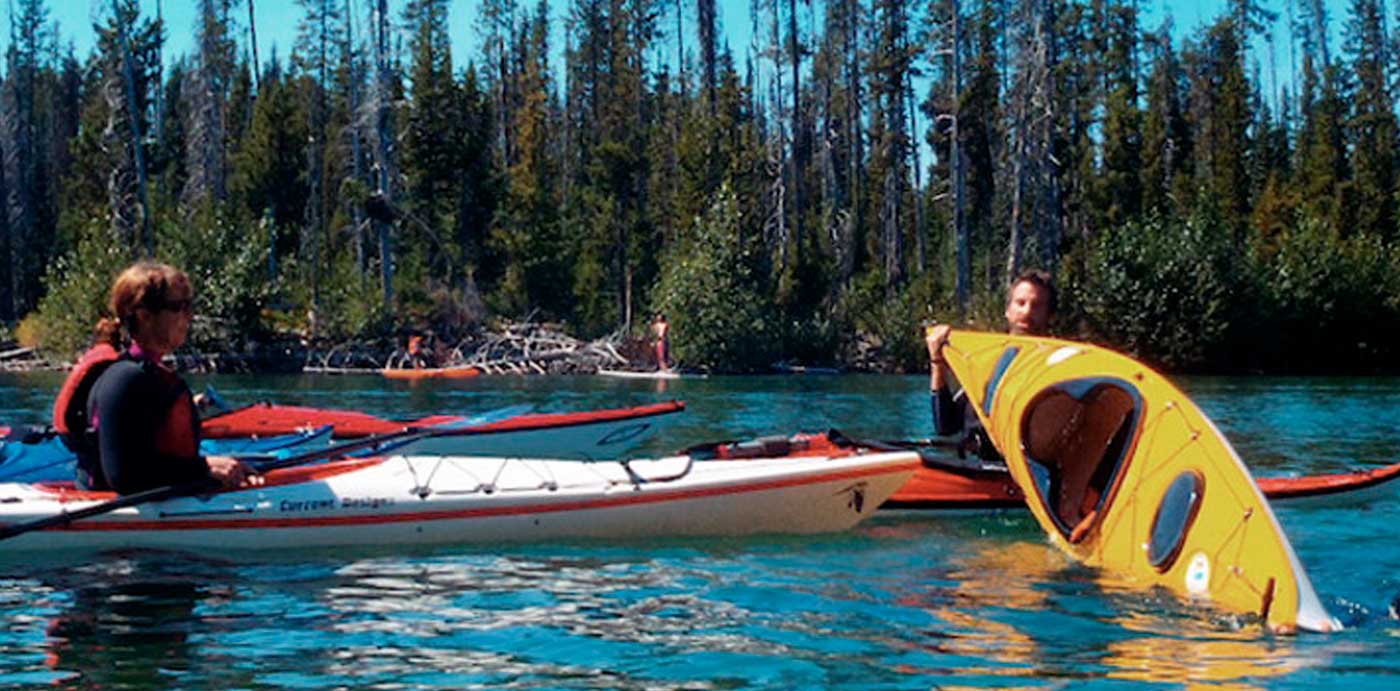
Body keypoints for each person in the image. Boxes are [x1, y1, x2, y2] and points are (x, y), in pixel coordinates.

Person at [52, 261, 261, 494]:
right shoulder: (125, 378)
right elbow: (123, 477)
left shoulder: (146, 374)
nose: (189, 316)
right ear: (144, 316)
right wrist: (203, 467)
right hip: (118, 516)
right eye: (178, 307)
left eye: (189, 305)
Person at [924, 268, 1056, 463]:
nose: (1027, 312)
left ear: (1049, 315)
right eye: (1020, 303)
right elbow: (946, 426)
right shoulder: (988, 361)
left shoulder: (1054, 366)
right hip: (977, 468)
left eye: (1036, 306)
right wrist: (937, 361)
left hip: (1021, 474)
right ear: (1008, 311)